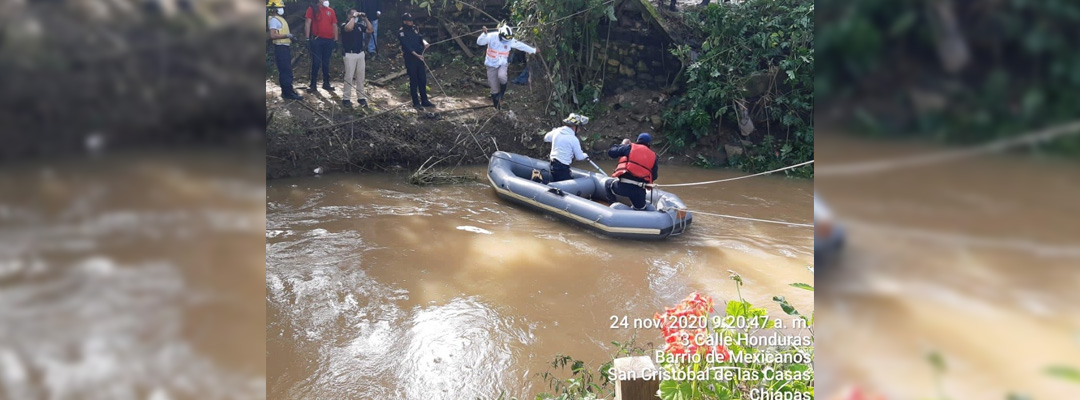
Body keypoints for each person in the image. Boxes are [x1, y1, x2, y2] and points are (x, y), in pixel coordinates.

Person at [476, 25, 538, 109]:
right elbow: (479, 42)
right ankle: (497, 108)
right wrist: (484, 34)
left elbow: (521, 45)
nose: (506, 42)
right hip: (491, 65)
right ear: (500, 35)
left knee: (502, 76)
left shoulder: (510, 40)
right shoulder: (491, 36)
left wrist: (533, 50)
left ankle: (502, 93)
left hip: (502, 63)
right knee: (494, 88)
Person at [606, 133, 659, 211]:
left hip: (622, 187)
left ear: (637, 140)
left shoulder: (629, 147)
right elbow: (654, 176)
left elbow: (611, 152)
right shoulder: (654, 157)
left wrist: (622, 145)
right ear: (649, 144)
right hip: (639, 191)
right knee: (640, 208)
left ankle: (611, 207)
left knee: (607, 183)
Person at [267, 0, 302, 100]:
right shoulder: (274, 20)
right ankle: (287, 93)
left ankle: (289, 90)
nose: (282, 9)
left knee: (287, 70)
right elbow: (273, 35)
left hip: (284, 46)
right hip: (280, 47)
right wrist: (286, 35)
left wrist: (290, 38)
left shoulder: (279, 19)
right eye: (280, 7)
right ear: (275, 9)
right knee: (285, 70)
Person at [398, 13, 434, 108]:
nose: (411, 22)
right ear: (404, 21)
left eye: (412, 20)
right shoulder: (401, 32)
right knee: (414, 80)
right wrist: (416, 55)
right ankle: (416, 102)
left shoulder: (414, 29)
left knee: (422, 79)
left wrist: (425, 43)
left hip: (419, 57)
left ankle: (424, 100)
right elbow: (407, 46)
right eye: (409, 21)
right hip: (411, 58)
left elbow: (420, 38)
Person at [543, 113, 590, 183]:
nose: (579, 130)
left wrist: (554, 131)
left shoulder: (557, 131)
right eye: (579, 127)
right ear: (574, 126)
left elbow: (546, 138)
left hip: (553, 164)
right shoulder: (573, 139)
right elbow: (579, 157)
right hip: (562, 168)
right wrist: (585, 155)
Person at [304, 0, 339, 93]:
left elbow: (334, 25)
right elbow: (308, 22)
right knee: (316, 62)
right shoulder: (313, 9)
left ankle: (326, 83)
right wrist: (307, 38)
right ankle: (313, 84)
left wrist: (336, 39)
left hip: (329, 40)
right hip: (318, 39)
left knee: (326, 62)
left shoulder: (330, 11)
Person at [340, 9, 373, 107]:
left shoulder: (359, 26)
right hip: (349, 54)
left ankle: (361, 97)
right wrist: (354, 17)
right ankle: (346, 98)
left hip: (360, 53)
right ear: (349, 15)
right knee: (349, 77)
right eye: (354, 13)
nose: (356, 15)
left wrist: (365, 19)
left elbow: (370, 30)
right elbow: (349, 28)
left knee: (360, 77)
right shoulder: (344, 25)